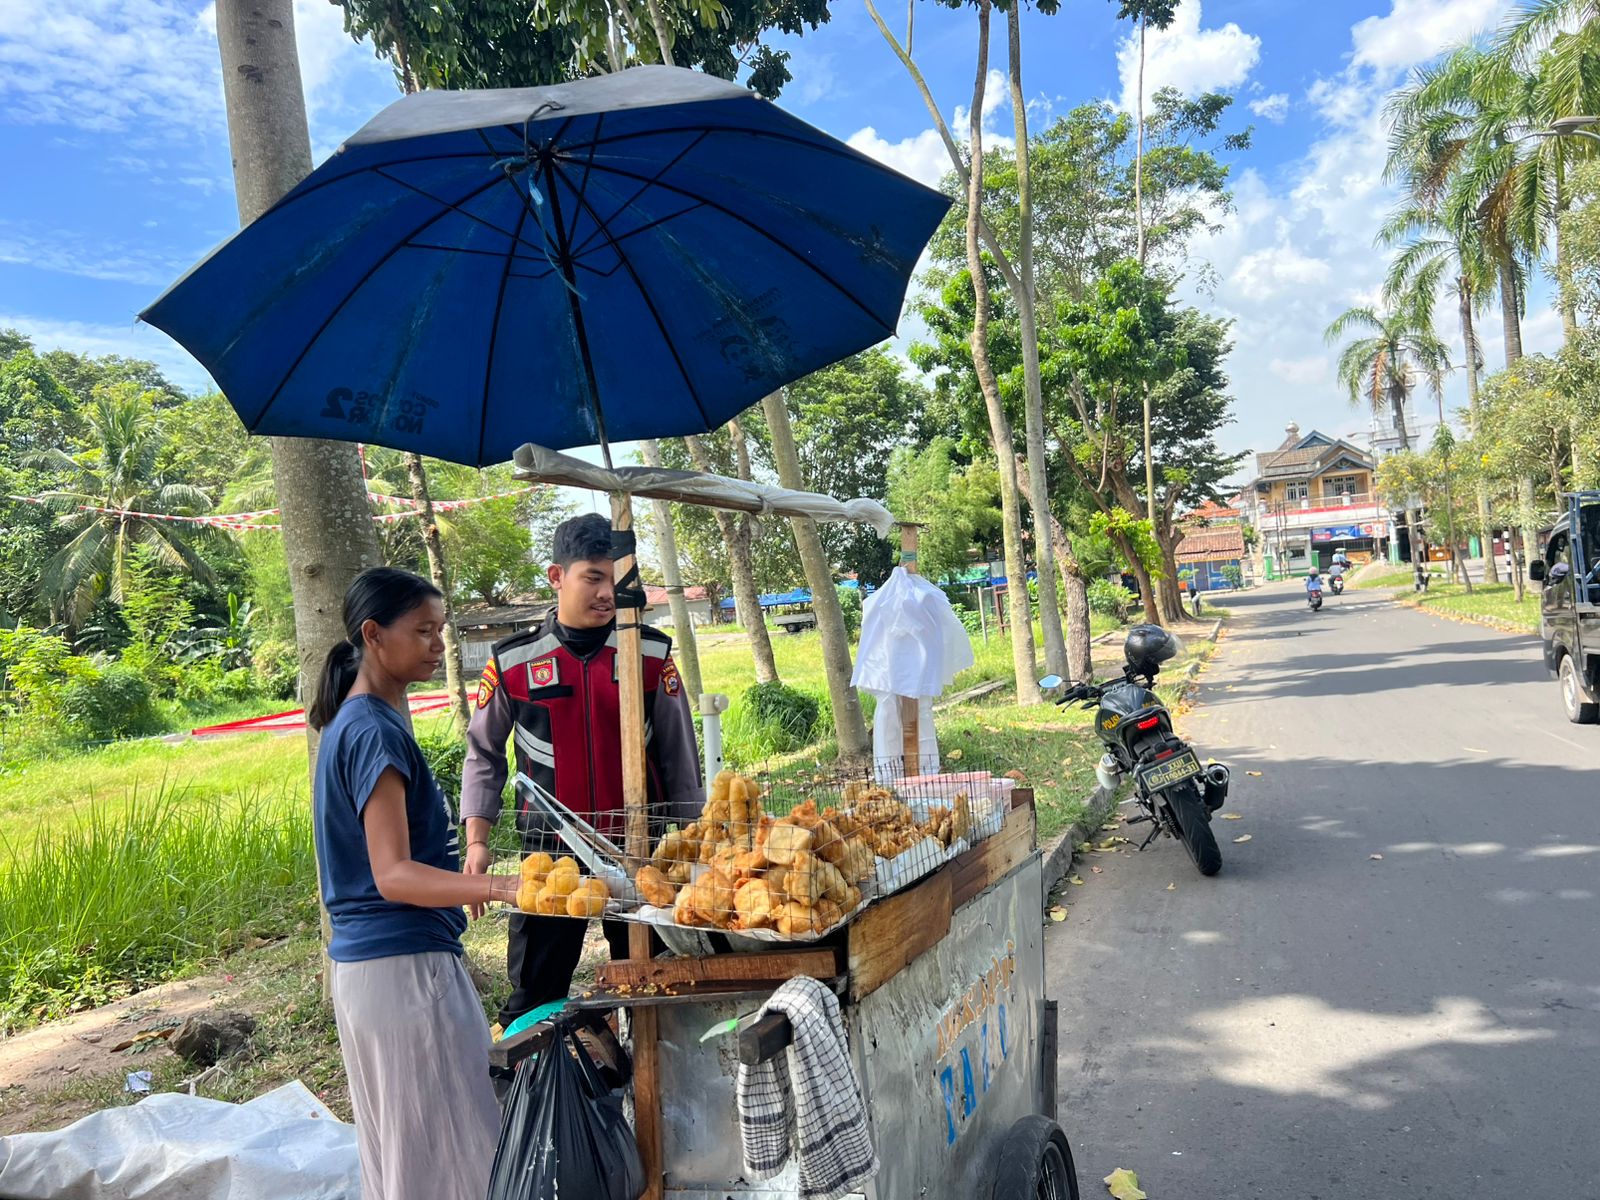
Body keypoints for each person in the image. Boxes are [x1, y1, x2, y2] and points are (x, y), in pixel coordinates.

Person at [309, 567, 518, 1200]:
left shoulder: (358, 721)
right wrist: (502, 889)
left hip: (373, 973)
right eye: (423, 631)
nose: (437, 645)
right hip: (403, 969)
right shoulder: (371, 730)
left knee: (405, 1156)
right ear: (373, 635)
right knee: (457, 1156)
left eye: (441, 630)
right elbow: (393, 874)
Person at [462, 513, 704, 1028]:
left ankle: (639, 1069)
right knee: (535, 991)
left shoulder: (650, 653)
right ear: (557, 576)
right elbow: (483, 753)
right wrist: (477, 839)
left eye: (615, 580)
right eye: (593, 577)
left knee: (653, 979)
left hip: (640, 851)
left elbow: (680, 756)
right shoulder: (514, 661)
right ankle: (532, 1073)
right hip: (551, 855)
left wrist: (695, 837)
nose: (606, 593)